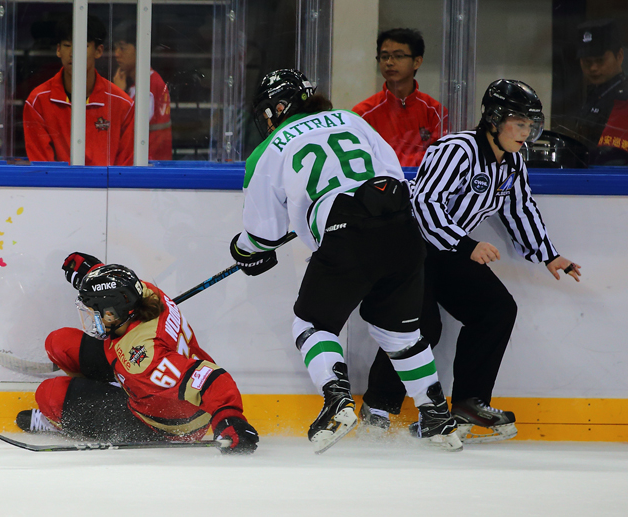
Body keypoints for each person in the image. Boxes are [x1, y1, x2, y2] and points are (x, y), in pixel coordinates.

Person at [230, 69, 463, 453]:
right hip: (402, 229)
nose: (267, 119)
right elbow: (393, 178)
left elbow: (263, 235)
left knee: (311, 323)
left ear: (281, 105)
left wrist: (243, 250)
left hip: (347, 231)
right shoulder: (354, 120)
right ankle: (436, 416)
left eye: (270, 110)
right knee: (401, 333)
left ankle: (337, 402)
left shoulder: (269, 149)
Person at [360, 79, 583, 443]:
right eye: (519, 123)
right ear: (494, 120)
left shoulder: (511, 162)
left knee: (496, 309)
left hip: (446, 250)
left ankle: (467, 402)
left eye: (531, 125)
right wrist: (466, 245)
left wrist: (549, 254)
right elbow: (424, 205)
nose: (526, 132)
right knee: (421, 327)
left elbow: (520, 208)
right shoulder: (457, 149)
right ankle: (378, 408)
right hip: (407, 248)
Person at [15, 252, 259, 455]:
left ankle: (63, 423)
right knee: (59, 343)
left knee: (49, 395)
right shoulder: (143, 292)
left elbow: (209, 379)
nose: (90, 319)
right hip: (146, 382)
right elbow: (117, 283)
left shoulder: (143, 359)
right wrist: (93, 273)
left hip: (165, 423)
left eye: (94, 312)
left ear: (112, 313)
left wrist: (229, 417)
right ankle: (112, 387)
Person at [23, 15, 135, 166]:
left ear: (99, 51)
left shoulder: (123, 104)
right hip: (59, 189)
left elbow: (125, 170)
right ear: (58, 50)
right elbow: (43, 169)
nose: (73, 53)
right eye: (67, 45)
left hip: (107, 188)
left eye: (83, 45)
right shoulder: (37, 102)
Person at [352, 28, 448, 167]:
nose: (389, 62)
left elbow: (443, 157)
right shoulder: (363, 113)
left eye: (398, 56)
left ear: (417, 62)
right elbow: (361, 159)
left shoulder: (436, 112)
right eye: (384, 57)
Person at [112, 21, 173, 161]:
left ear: (140, 49)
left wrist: (119, 94)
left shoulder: (148, 86)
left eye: (122, 48)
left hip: (149, 166)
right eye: (116, 48)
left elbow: (130, 127)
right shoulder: (148, 81)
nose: (117, 54)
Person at [571, 19, 628, 165]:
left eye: (600, 60)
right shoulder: (594, 92)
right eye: (587, 62)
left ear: (619, 56)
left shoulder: (623, 97)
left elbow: (615, 157)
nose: (593, 68)